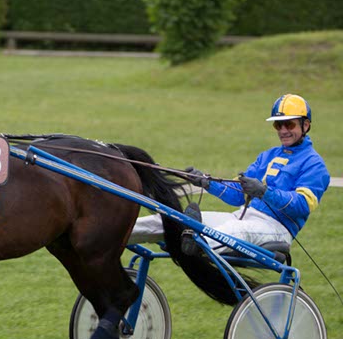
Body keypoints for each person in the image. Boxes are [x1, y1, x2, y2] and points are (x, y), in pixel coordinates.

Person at [130, 94, 330, 251]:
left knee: (228, 231)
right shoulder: (267, 155)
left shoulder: (315, 165)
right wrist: (206, 182)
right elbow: (237, 195)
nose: (283, 130)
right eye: (278, 125)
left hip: (275, 229)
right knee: (171, 219)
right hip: (242, 217)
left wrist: (264, 192)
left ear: (305, 125)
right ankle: (117, 233)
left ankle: (194, 243)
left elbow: (301, 206)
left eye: (290, 124)